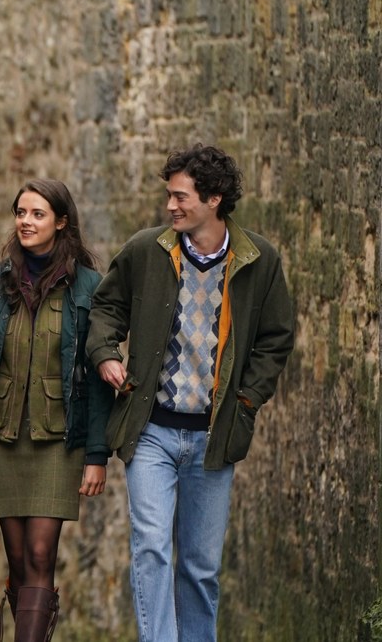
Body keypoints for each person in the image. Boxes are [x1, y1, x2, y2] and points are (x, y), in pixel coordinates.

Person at [86, 144, 295, 642]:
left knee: (201, 568)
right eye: (169, 196)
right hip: (151, 431)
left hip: (213, 439)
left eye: (180, 197)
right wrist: (107, 354)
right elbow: (104, 310)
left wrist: (247, 400)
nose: (170, 206)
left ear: (214, 199)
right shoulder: (146, 250)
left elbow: (276, 338)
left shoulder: (259, 260)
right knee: (152, 548)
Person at [0, 179, 112, 641]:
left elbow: (99, 375)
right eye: (21, 212)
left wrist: (97, 455)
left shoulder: (89, 286)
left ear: (61, 221)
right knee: (17, 563)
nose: (26, 221)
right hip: (0, 438)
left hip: (58, 442)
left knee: (40, 556)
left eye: (37, 214)